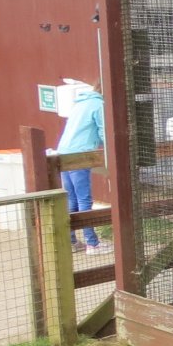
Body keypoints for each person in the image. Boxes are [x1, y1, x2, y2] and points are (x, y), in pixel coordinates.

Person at [56, 79, 108, 254]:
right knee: (84, 199)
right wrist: (111, 151)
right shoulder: (99, 104)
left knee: (72, 199)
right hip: (80, 155)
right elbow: (104, 130)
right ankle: (92, 243)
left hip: (64, 153)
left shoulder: (80, 103)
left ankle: (71, 240)